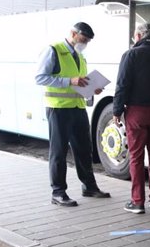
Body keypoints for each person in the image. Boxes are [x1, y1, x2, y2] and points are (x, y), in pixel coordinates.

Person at [35, 22, 111, 207]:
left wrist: (92, 88)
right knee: (59, 152)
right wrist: (70, 80)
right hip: (58, 108)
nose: (84, 43)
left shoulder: (80, 56)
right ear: (73, 33)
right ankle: (58, 192)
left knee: (84, 149)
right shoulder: (53, 50)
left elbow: (79, 83)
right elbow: (40, 77)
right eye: (83, 39)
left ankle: (89, 186)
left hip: (77, 107)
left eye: (87, 41)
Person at [113, 23, 150, 214]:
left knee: (136, 157)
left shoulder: (131, 55)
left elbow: (122, 85)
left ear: (138, 36)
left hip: (137, 113)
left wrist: (116, 111)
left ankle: (137, 201)